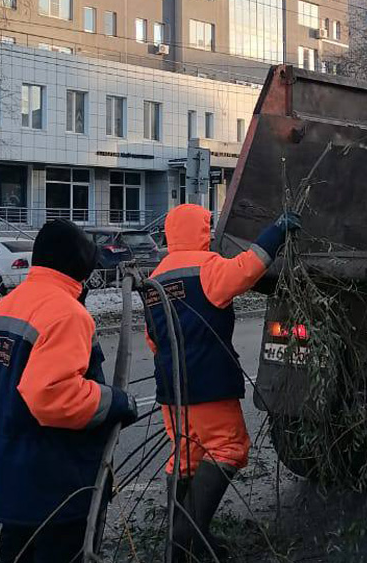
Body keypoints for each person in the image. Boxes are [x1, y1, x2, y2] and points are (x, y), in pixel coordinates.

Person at [0, 219, 139, 563]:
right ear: (78, 266)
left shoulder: (2, 309)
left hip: (12, 484)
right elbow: (52, 396)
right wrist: (117, 402)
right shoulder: (67, 314)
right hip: (59, 487)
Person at [143, 204, 301, 561]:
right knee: (228, 448)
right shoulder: (206, 268)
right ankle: (182, 540)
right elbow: (247, 268)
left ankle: (189, 544)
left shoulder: (154, 279)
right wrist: (276, 231)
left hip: (171, 389)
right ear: (201, 231)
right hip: (208, 384)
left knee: (186, 457)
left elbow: (152, 338)